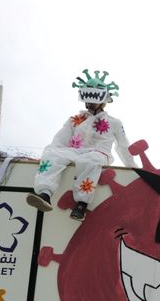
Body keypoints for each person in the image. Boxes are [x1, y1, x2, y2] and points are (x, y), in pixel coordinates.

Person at [26, 69, 136, 221]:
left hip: (98, 154)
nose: (90, 102)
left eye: (95, 97)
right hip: (74, 152)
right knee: (53, 154)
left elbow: (123, 146)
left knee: (90, 161)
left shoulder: (114, 123)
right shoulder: (74, 120)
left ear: (104, 99)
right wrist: (51, 154)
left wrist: (133, 168)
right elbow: (59, 141)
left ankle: (82, 204)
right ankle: (44, 194)